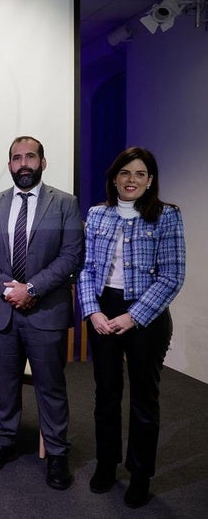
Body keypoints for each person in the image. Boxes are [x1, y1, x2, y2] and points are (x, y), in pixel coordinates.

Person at [0, 135, 83, 490]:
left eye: (30, 157)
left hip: (45, 310)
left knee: (50, 385)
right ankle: (3, 441)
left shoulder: (65, 203)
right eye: (17, 158)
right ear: (9, 166)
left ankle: (57, 452)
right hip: (2, 309)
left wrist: (30, 289)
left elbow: (71, 256)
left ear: (43, 163)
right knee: (5, 384)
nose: (23, 164)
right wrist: (9, 288)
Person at [78, 147, 185, 508]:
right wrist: (92, 311)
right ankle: (107, 465)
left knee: (144, 397)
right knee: (105, 393)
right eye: (125, 173)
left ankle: (140, 474)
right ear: (114, 178)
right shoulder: (97, 214)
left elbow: (173, 275)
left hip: (146, 317)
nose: (131, 180)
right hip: (103, 311)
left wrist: (134, 316)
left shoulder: (166, 216)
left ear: (150, 180)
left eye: (140, 174)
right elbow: (86, 269)